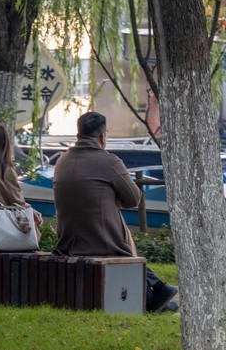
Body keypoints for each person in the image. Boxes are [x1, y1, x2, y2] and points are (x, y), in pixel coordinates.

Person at [52, 111, 178, 313]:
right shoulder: (109, 162)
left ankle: (160, 292)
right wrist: (114, 197)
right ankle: (158, 291)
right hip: (101, 242)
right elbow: (134, 198)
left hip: (68, 241)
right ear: (103, 137)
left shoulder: (62, 161)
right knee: (124, 249)